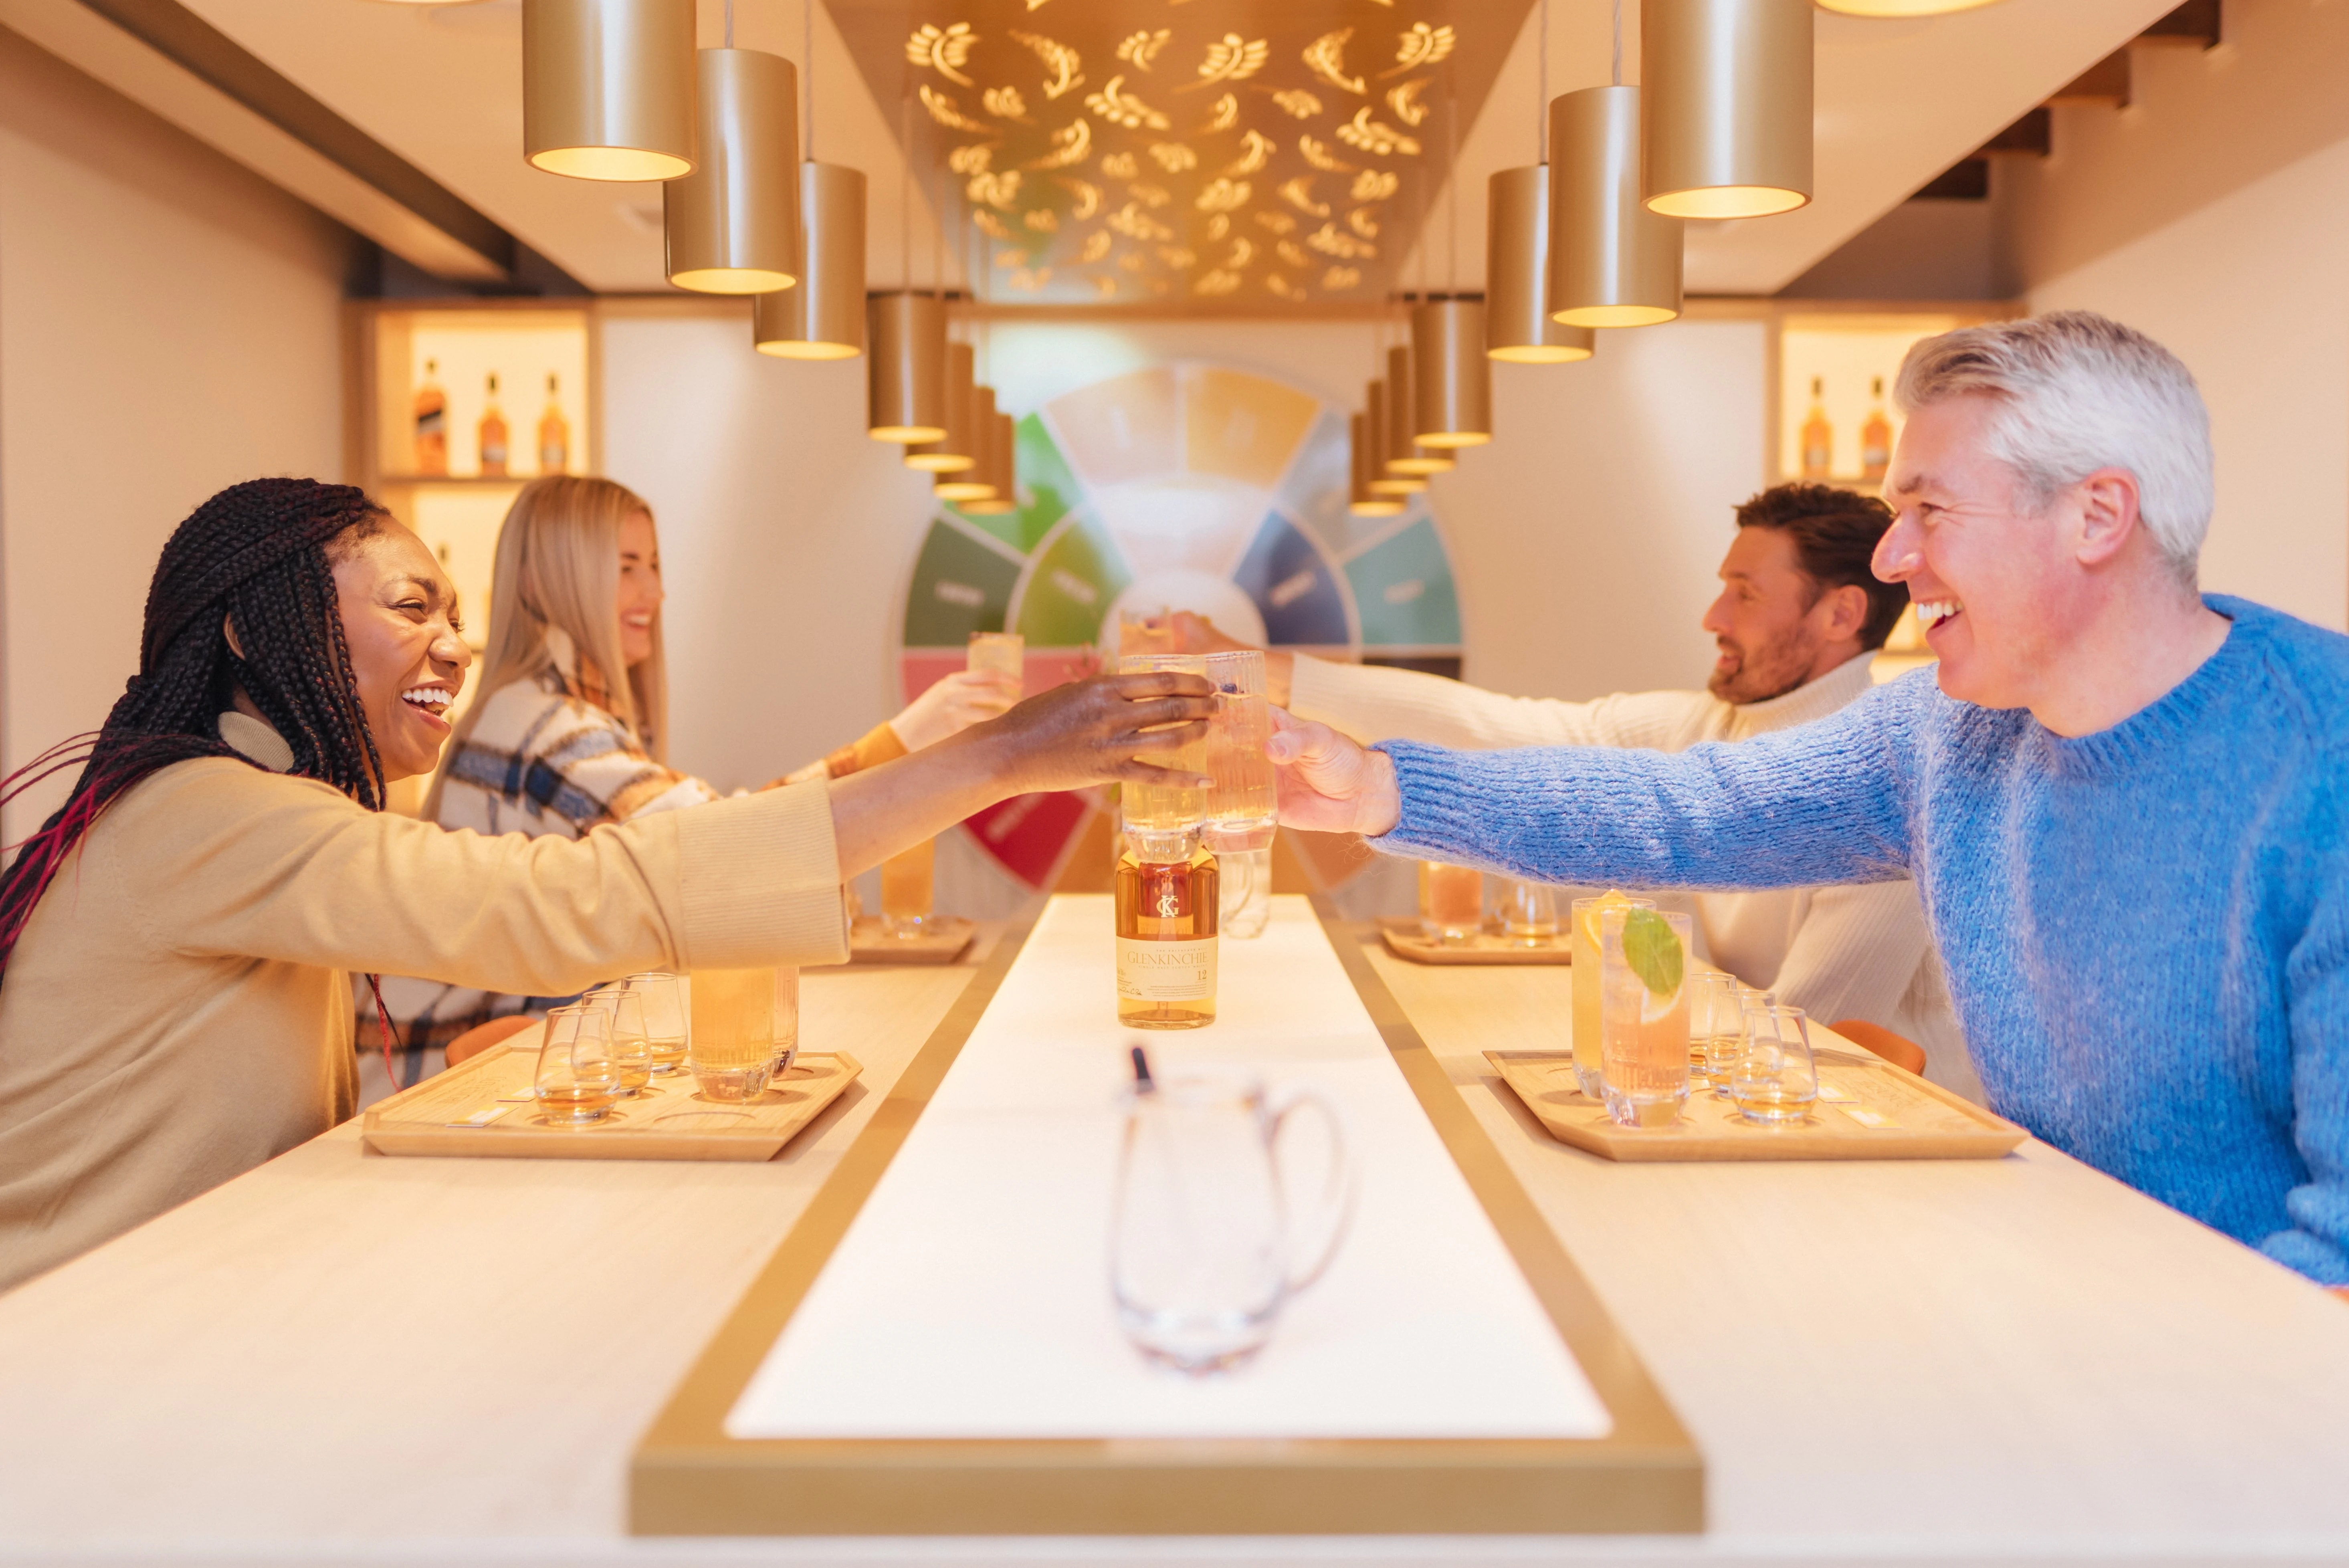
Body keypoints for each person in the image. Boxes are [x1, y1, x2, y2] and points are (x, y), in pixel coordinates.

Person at [1267, 311, 2349, 1289]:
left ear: (2096, 516)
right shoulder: (1946, 732)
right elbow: (1687, 808)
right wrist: (1379, 788)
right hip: (2036, 1291)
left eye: (1927, 511)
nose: (1893, 557)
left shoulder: (2320, 765)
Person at [0, 478, 1211, 1293]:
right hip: (78, 1340)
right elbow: (587, 900)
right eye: (412, 607)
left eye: (456, 614)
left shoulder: (215, 803)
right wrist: (995, 758)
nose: (453, 647)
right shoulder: (211, 812)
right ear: (256, 637)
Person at [1158, 483, 1976, 1099]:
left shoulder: (1886, 787)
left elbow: (1800, 1042)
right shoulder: (1696, 727)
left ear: (1840, 615)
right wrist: (1265, 674)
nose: (1710, 615)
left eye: (1745, 593)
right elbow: (1490, 726)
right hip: (1726, 1097)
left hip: (1864, 1155)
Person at [375, 476, 1016, 1071]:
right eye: (625, 569)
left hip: (499, 1062)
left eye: (653, 567)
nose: (654, 593)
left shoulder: (540, 710)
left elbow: (707, 846)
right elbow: (724, 848)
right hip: (448, 1083)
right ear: (542, 582)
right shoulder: (541, 725)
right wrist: (905, 741)